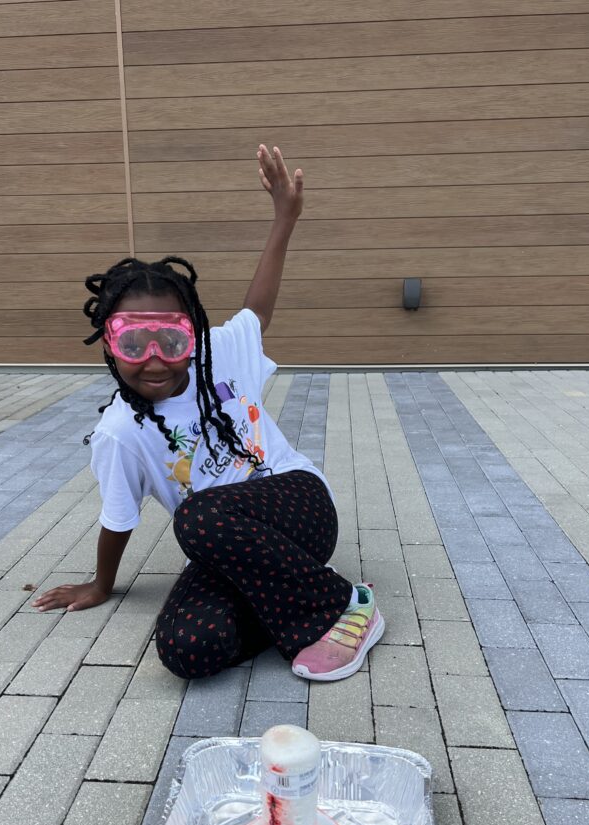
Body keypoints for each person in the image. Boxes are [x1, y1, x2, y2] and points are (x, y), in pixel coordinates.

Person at [32, 145, 384, 682]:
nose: (154, 359)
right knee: (186, 650)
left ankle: (346, 603)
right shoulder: (119, 434)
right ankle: (292, 598)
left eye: (170, 339)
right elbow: (118, 517)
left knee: (198, 516)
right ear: (109, 345)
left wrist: (284, 218)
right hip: (230, 548)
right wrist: (102, 585)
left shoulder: (218, 355)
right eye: (135, 342)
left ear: (190, 336)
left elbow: (258, 308)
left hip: (299, 505)